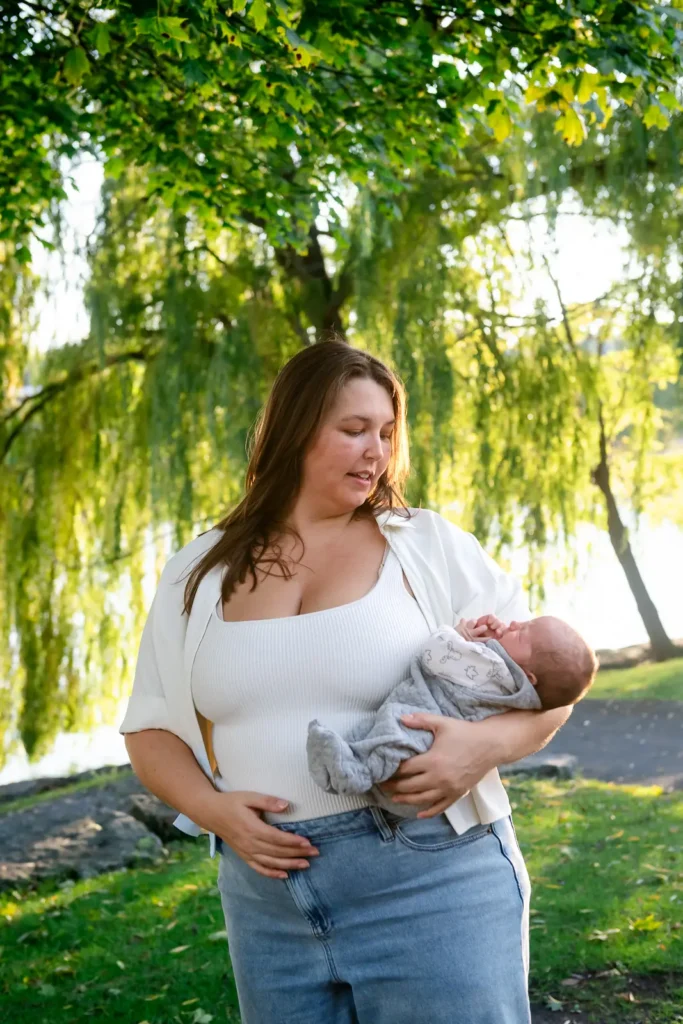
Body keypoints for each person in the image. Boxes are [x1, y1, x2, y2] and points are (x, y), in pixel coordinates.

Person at [120, 338, 573, 1024]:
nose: (377, 452)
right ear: (294, 431)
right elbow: (151, 726)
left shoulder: (425, 545)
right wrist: (213, 813)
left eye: (387, 433)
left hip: (431, 877)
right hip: (265, 899)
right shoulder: (198, 569)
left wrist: (480, 750)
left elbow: (550, 689)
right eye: (354, 430)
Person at [307, 612, 596, 814]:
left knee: (394, 733)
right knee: (381, 730)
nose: (515, 623)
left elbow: (437, 654)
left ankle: (355, 773)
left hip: (423, 729)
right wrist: (494, 639)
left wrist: (459, 635)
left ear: (529, 676)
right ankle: (352, 757)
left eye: (523, 634)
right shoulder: (521, 694)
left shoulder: (495, 667)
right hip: (425, 790)